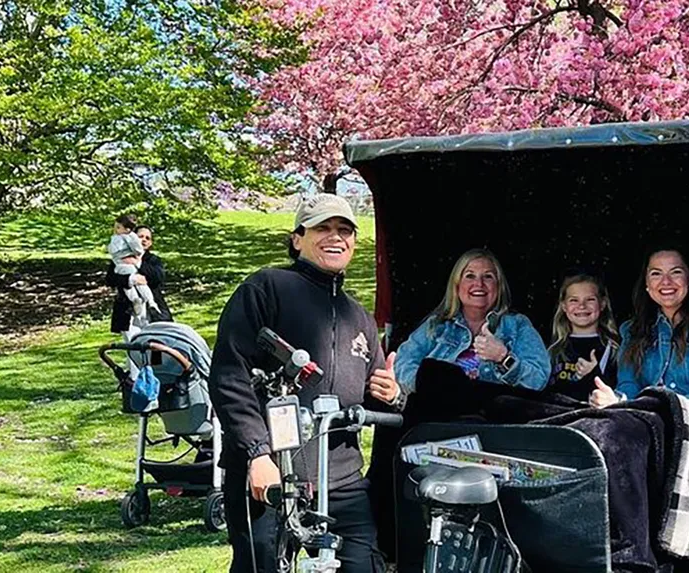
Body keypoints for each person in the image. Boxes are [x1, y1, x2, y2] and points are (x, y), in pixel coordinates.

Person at [209, 194, 404, 573]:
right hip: (268, 472)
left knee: (363, 565)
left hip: (342, 480)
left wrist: (394, 395)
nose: (336, 237)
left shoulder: (358, 316)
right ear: (297, 238)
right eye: (323, 228)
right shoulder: (265, 289)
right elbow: (230, 376)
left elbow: (373, 398)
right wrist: (256, 453)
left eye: (345, 230)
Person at [590, 246, 689, 418]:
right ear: (646, 283)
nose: (666, 281)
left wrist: (663, 410)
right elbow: (628, 386)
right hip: (640, 420)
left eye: (675, 272)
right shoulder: (632, 330)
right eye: (656, 273)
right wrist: (614, 399)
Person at [393, 248, 551, 393]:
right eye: (470, 276)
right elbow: (403, 362)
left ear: (499, 286)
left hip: (496, 418)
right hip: (442, 417)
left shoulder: (517, 325)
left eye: (488, 277)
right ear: (457, 285)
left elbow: (538, 380)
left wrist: (503, 357)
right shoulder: (437, 326)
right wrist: (431, 389)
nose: (479, 284)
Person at [545, 273, 620, 400]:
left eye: (590, 299)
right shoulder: (552, 350)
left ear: (602, 304)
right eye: (574, 300)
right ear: (563, 306)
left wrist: (593, 374)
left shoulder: (614, 350)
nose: (581, 306)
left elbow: (617, 396)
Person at [107, 214, 160, 323]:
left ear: (150, 243)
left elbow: (158, 278)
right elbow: (110, 280)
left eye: (147, 238)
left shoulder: (153, 260)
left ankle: (151, 303)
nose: (144, 240)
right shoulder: (120, 259)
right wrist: (131, 280)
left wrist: (137, 262)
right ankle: (135, 300)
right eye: (141, 236)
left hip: (152, 315)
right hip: (126, 312)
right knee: (130, 339)